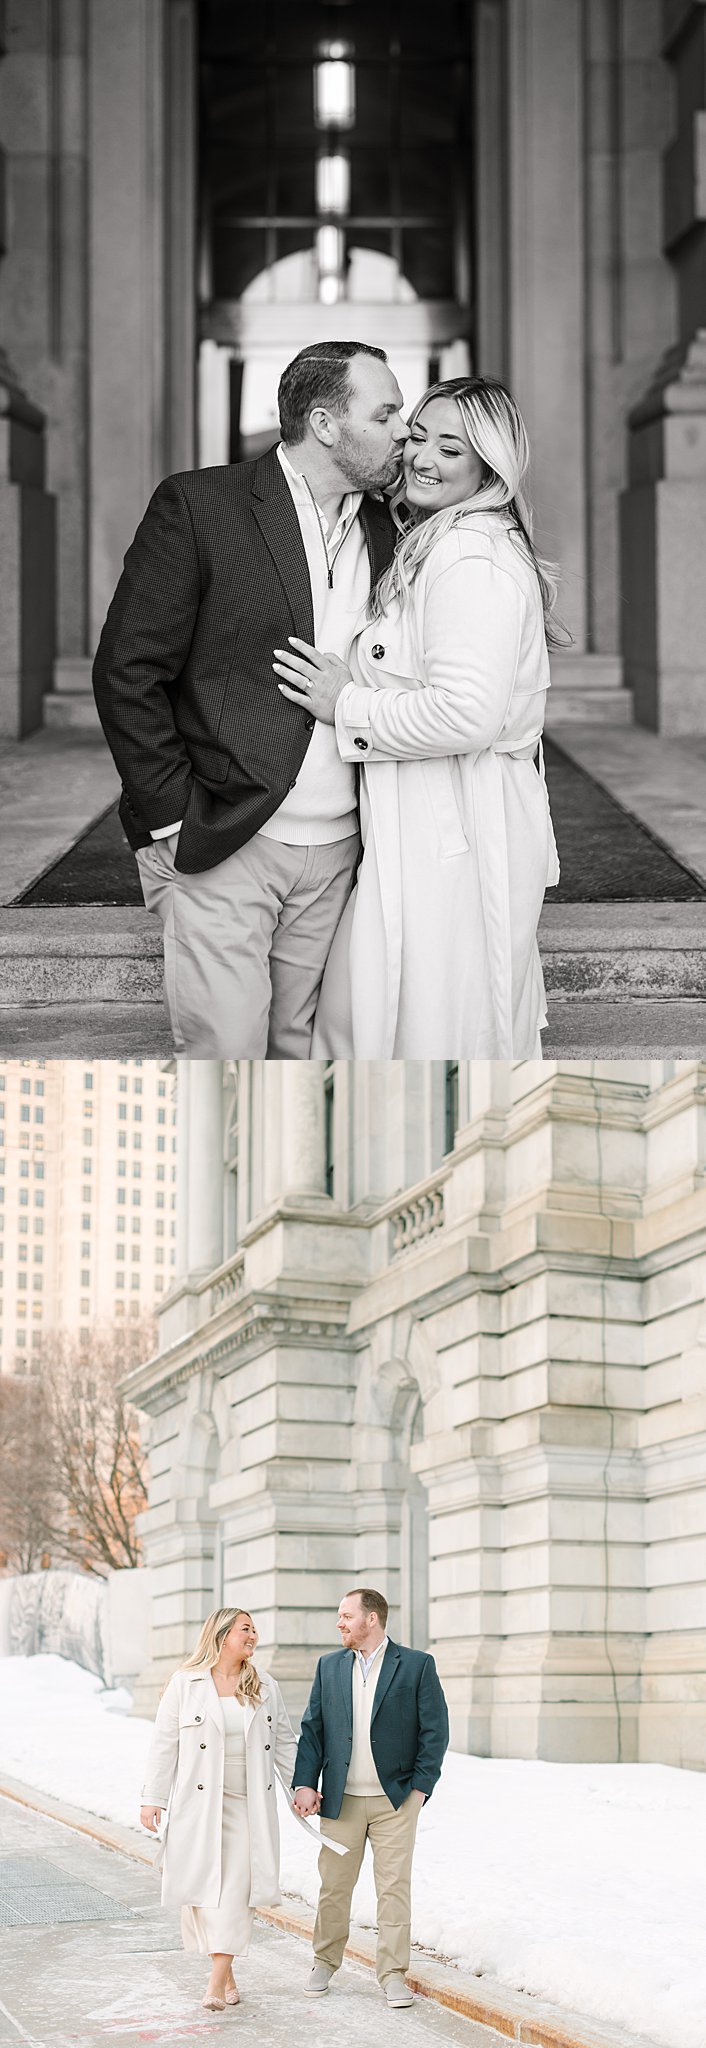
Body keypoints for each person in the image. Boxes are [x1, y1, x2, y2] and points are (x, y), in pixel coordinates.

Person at [93, 340, 407, 1058]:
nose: (403, 431)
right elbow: (128, 670)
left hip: (343, 847)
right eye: (385, 414)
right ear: (325, 423)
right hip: (226, 834)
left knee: (298, 1053)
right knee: (225, 1055)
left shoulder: (390, 524)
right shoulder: (202, 505)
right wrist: (172, 815)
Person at [273, 375, 562, 1059]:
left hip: (456, 829)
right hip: (427, 822)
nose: (424, 458)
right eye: (419, 436)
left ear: (489, 466)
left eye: (451, 449)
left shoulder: (471, 557)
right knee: (381, 1021)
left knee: (422, 1027)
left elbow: (468, 714)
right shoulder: (437, 538)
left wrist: (346, 703)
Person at [292, 1587, 449, 2011]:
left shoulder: (416, 1665)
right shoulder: (329, 1666)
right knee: (334, 1888)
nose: (339, 1623)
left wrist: (419, 1789)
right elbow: (313, 1729)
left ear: (372, 1619)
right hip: (340, 1801)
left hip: (395, 1802)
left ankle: (393, 1974)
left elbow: (435, 1730)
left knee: (394, 1889)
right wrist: (304, 1782)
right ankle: (324, 1962)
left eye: (346, 1616)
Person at [139, 1605, 298, 2012]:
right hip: (200, 1805)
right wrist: (153, 1797)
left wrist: (301, 1787)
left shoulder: (265, 1685)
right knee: (205, 1893)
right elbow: (163, 1744)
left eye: (254, 1629)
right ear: (223, 1635)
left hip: (249, 1806)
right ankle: (227, 1975)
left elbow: (284, 1742)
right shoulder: (185, 1683)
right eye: (246, 1629)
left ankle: (213, 1984)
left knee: (237, 1892)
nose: (253, 1636)